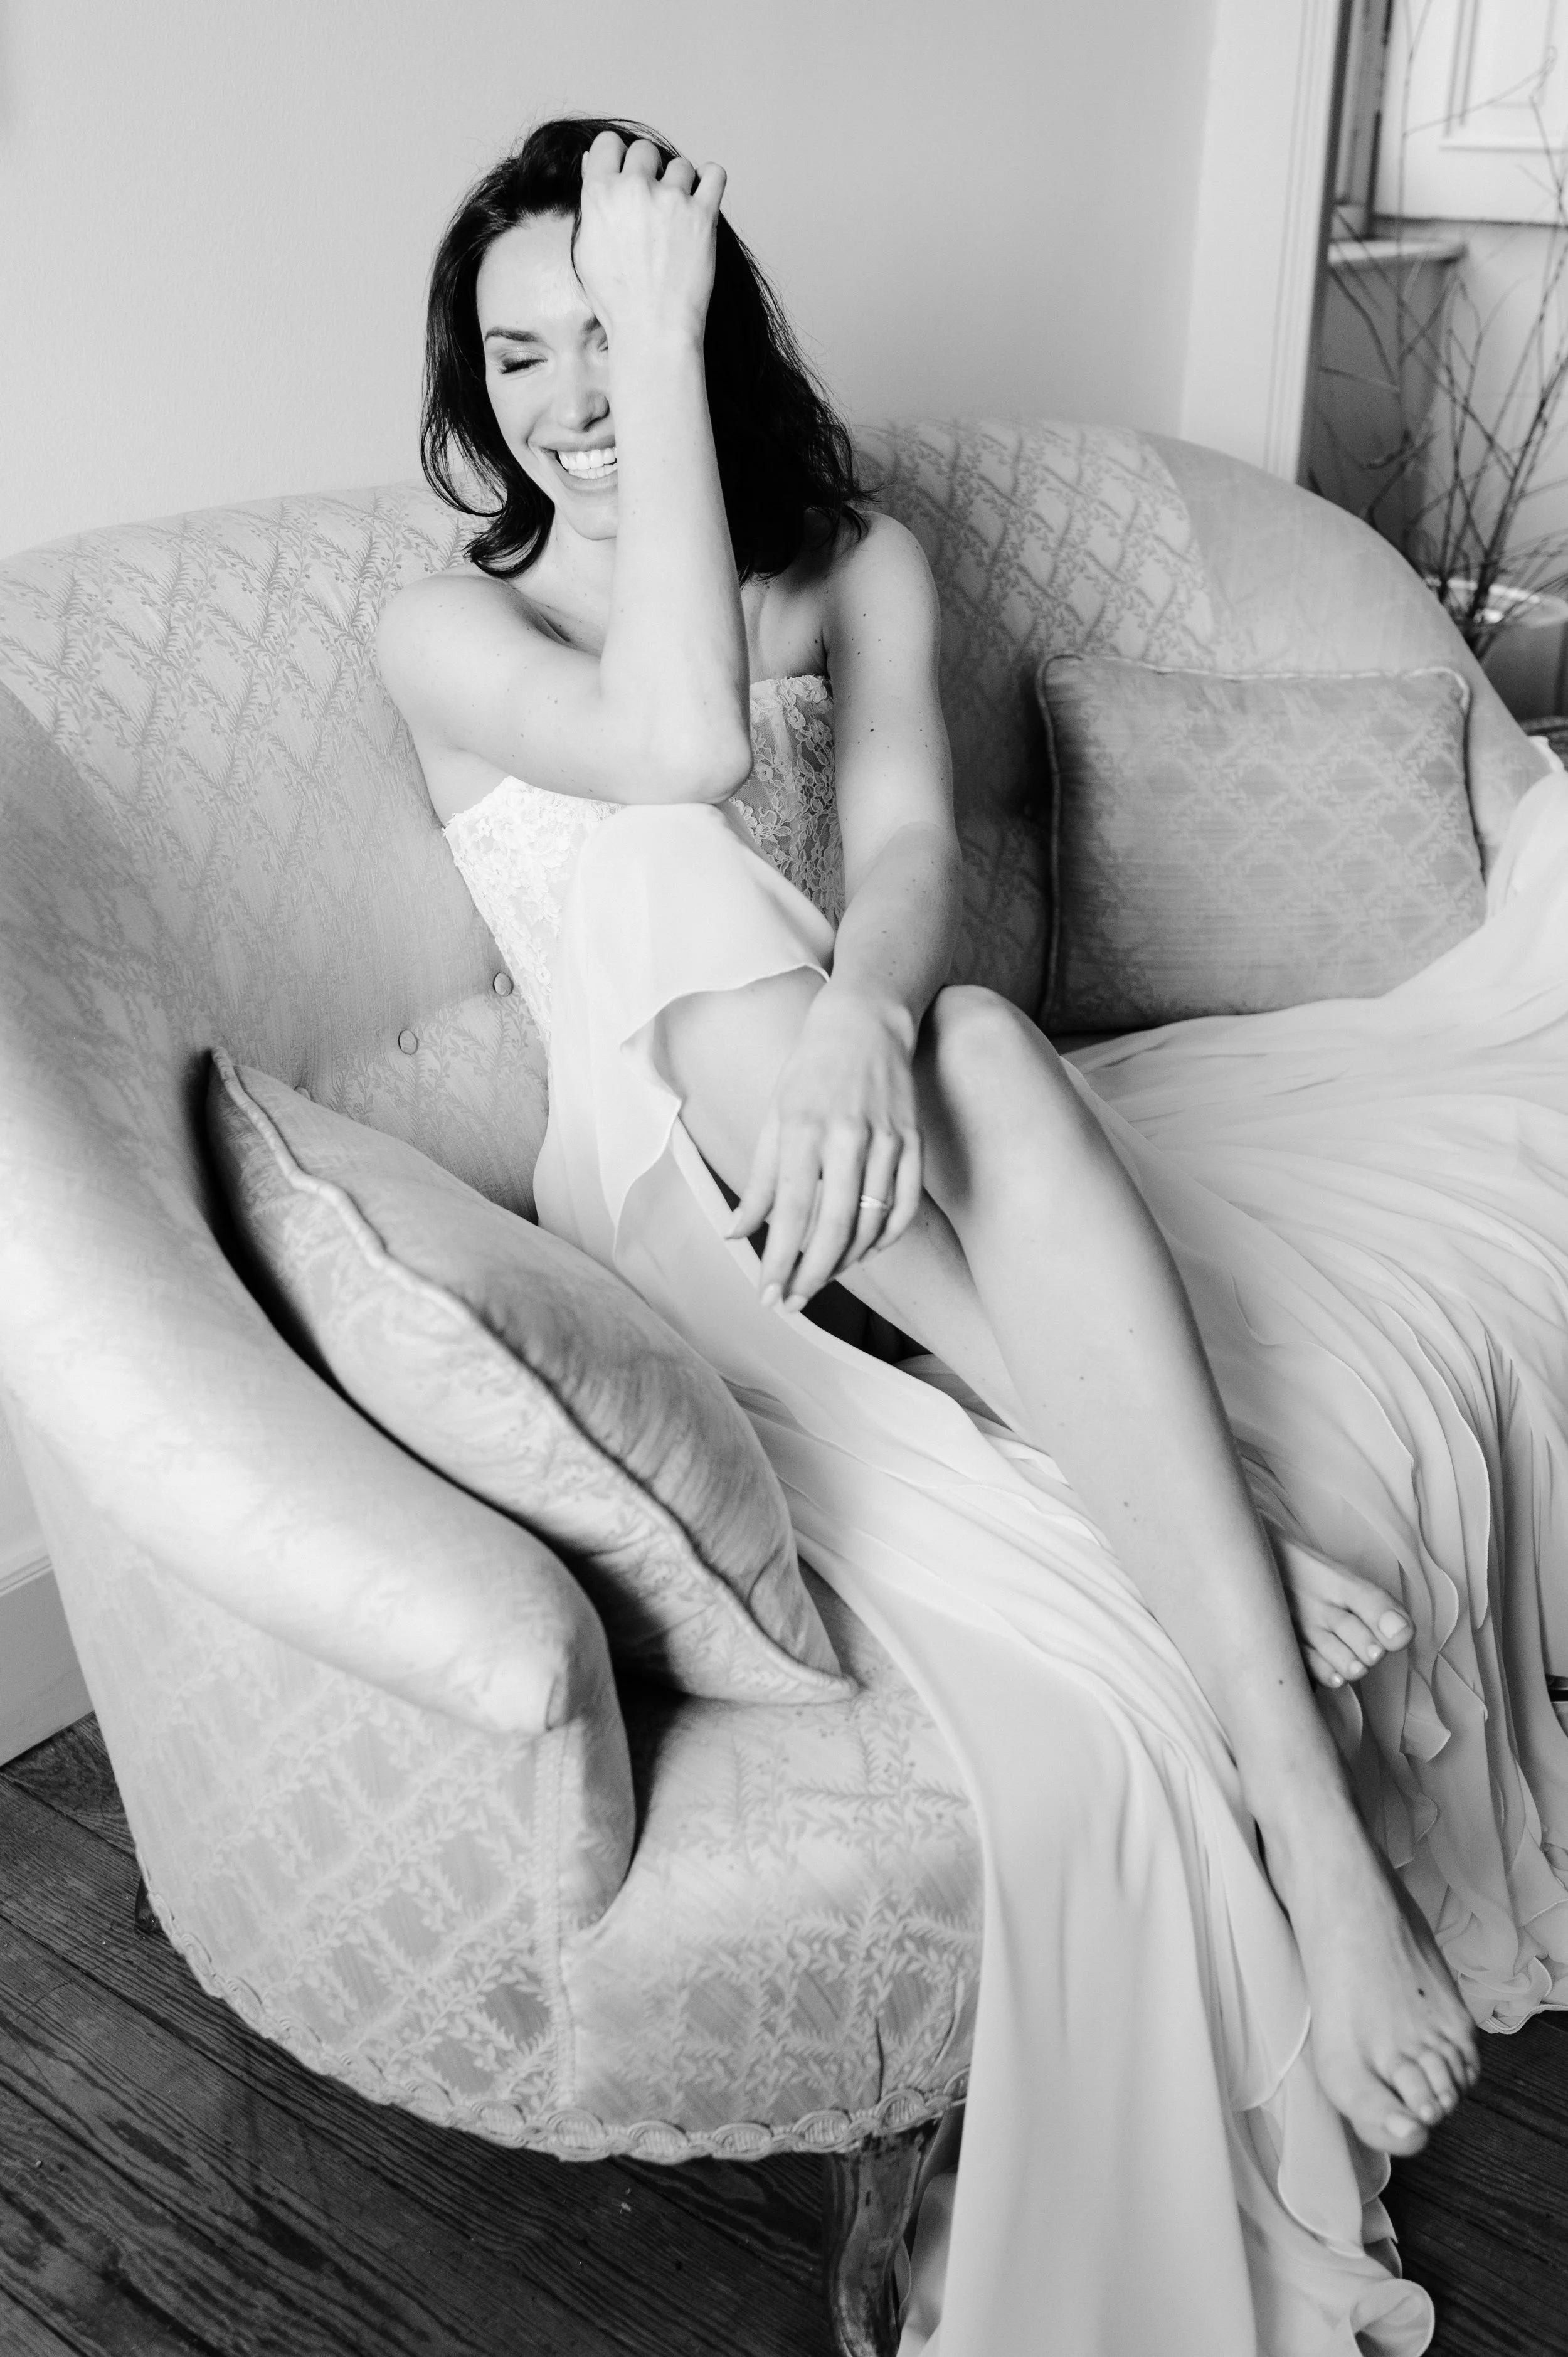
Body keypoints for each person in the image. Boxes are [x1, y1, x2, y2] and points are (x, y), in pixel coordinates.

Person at [379, 117, 1568, 2354]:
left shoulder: (859, 563)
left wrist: (853, 1012)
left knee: (997, 1046)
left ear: (708, 331)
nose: (573, 398)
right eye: (522, 355)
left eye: (613, 331)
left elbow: (907, 852)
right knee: (655, 872)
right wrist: (649, 316)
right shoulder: (447, 622)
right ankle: (1119, 1453)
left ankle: (1311, 1835)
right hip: (666, 1194)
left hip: (870, 1138)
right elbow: (669, 742)